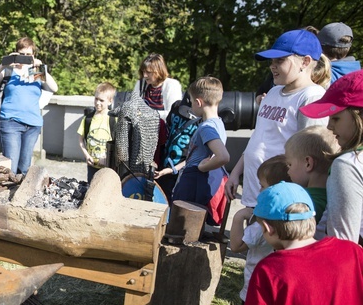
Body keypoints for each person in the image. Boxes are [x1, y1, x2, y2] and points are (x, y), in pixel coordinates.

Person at [226, 29, 328, 209]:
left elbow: (309, 156)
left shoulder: (312, 97)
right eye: (272, 61)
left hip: (281, 197)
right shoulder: (273, 92)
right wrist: (235, 172)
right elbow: (259, 136)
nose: (272, 66)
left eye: (280, 60)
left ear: (305, 61)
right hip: (255, 188)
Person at [230, 155, 290, 305]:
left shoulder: (261, 225)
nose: (259, 190)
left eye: (263, 186)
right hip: (275, 293)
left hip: (254, 291)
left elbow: (235, 245)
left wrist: (239, 217)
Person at [299, 69, 363, 243]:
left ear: (359, 117)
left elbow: (342, 242)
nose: (328, 127)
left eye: (336, 119)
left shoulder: (348, 165)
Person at [0, 37, 58, 175]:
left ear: (33, 55)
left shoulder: (35, 72)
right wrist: (4, 64)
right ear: (16, 54)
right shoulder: (9, 71)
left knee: (24, 166)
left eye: (28, 55)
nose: (24, 58)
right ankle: (6, 193)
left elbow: (54, 87)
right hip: (11, 122)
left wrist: (42, 68)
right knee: (10, 165)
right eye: (21, 55)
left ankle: (19, 193)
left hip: (32, 124)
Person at [159, 77, 230, 216]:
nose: (190, 105)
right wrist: (172, 169)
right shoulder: (219, 123)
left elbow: (223, 156)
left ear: (198, 102)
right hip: (196, 178)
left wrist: (201, 167)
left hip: (193, 180)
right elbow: (198, 155)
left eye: (191, 102)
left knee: (179, 221)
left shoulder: (207, 128)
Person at [284, 125, 338, 236]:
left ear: (308, 163)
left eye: (290, 164)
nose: (287, 171)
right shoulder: (336, 196)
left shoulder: (301, 203)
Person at [77, 82, 116, 182]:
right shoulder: (88, 118)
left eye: (101, 100)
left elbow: (118, 143)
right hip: (92, 165)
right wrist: (86, 155)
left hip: (108, 167)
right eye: (96, 99)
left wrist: (107, 157)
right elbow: (81, 140)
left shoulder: (113, 120)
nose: (98, 103)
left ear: (110, 101)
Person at [135, 53, 183, 121]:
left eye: (148, 72)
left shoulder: (172, 85)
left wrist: (148, 114)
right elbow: (133, 108)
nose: (145, 75)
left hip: (164, 128)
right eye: (143, 72)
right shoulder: (140, 84)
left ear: (158, 71)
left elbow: (172, 113)